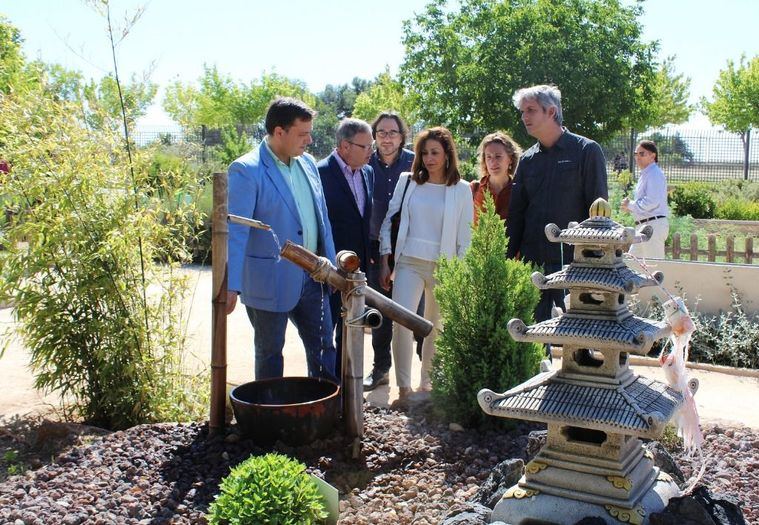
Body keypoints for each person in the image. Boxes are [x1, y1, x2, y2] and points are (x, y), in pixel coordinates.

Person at [226, 97, 337, 382]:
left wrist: (333, 272)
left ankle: (327, 411)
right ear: (279, 132)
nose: (310, 140)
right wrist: (231, 286)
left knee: (325, 347)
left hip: (314, 277)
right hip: (269, 280)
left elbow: (322, 218)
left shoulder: (308, 164)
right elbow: (236, 232)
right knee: (270, 353)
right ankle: (269, 416)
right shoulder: (246, 170)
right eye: (303, 134)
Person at [379, 127, 473, 398]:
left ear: (447, 155)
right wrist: (386, 260)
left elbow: (465, 238)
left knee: (436, 327)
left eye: (435, 152)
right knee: (402, 324)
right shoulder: (407, 181)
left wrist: (460, 275)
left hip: (445, 267)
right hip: (408, 262)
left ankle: (427, 384)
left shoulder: (462, 190)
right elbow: (389, 221)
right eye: (424, 152)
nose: (429, 158)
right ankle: (404, 388)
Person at [506, 84, 608, 328]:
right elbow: (517, 215)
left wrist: (594, 261)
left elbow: (598, 214)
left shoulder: (586, 151)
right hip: (534, 266)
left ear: (551, 112)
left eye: (530, 110)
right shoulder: (528, 160)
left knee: (582, 334)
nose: (524, 117)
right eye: (522, 111)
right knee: (534, 333)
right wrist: (507, 262)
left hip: (575, 265)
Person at [363, 112, 419, 391]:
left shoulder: (415, 162)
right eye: (382, 132)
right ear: (374, 135)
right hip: (375, 246)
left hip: (411, 245)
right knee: (380, 309)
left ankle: (430, 374)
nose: (387, 138)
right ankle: (381, 369)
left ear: (401, 136)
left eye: (393, 132)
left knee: (417, 310)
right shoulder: (364, 162)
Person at [317, 118, 374, 377]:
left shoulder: (368, 172)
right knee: (322, 335)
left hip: (357, 270)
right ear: (344, 146)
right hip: (328, 270)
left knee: (351, 330)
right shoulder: (319, 174)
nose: (371, 151)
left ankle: (345, 389)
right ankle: (324, 389)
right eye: (365, 146)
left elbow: (364, 221)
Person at [621, 140, 669, 259]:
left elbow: (652, 201)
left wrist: (630, 205)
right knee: (631, 264)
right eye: (636, 154)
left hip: (652, 225)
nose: (638, 157)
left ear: (653, 156)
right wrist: (631, 207)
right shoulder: (647, 174)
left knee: (654, 268)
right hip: (645, 226)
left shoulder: (654, 173)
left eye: (642, 154)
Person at [471, 131, 522, 223]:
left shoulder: (520, 192)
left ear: (510, 159)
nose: (493, 162)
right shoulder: (473, 189)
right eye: (488, 157)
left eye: (498, 156)